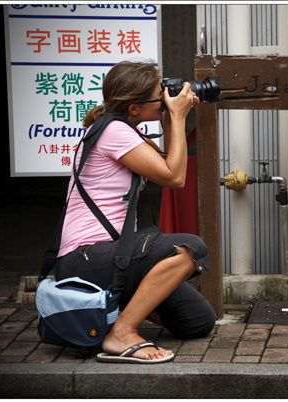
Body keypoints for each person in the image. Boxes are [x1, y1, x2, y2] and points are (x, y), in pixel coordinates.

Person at [54, 60, 216, 363]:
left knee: (196, 321)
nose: (165, 100)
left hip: (106, 256)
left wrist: (170, 120)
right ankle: (122, 331)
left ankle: (120, 312)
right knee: (189, 248)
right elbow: (174, 177)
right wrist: (179, 118)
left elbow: (169, 163)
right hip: (84, 258)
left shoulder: (119, 129)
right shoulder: (114, 131)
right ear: (133, 108)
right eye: (159, 97)